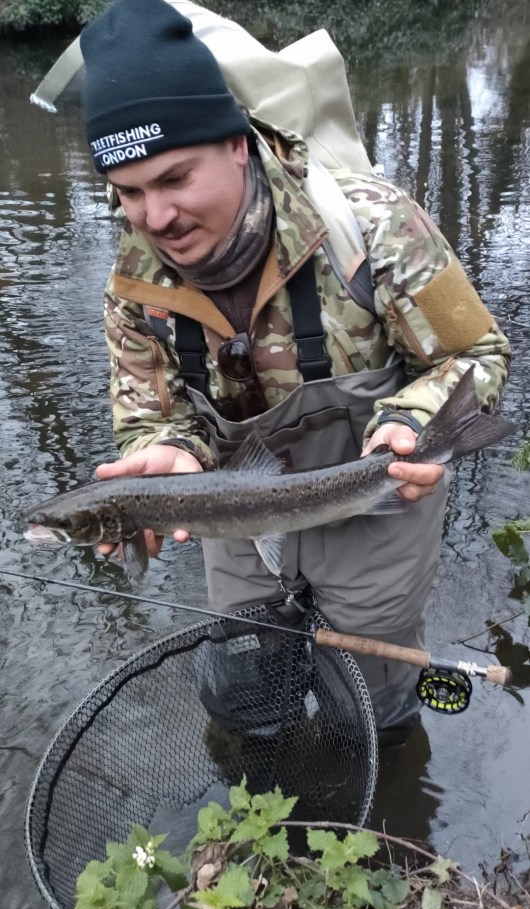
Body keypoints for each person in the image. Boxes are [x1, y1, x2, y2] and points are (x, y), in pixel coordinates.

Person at [78, 0, 511, 740]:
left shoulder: (372, 225)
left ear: (238, 144)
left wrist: (407, 424)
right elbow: (151, 416)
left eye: (175, 177)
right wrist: (168, 451)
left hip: (376, 501)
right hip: (234, 515)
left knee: (368, 709)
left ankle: (378, 799)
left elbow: (475, 354)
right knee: (246, 691)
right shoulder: (133, 281)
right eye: (129, 191)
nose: (155, 217)